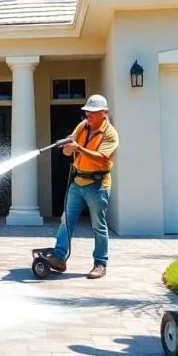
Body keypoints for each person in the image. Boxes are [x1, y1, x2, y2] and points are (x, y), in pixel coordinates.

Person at [50, 94, 118, 279]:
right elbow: (66, 151)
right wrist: (69, 147)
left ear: (104, 113)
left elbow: (101, 159)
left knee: (98, 226)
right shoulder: (82, 126)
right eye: (87, 110)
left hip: (97, 185)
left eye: (93, 112)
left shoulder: (110, 134)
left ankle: (100, 264)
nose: (89, 114)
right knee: (66, 221)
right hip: (77, 183)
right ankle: (59, 257)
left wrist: (78, 148)